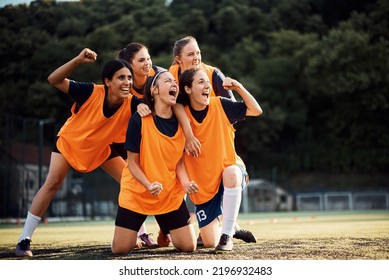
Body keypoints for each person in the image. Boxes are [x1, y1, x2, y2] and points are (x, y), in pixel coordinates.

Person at [15, 48, 154, 257]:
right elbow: (53, 79)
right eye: (121, 78)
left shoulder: (133, 103)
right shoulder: (90, 91)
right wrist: (78, 60)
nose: (127, 82)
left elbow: (156, 111)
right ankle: (23, 240)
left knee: (132, 182)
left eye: (129, 78)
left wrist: (145, 108)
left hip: (100, 149)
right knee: (52, 183)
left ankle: (139, 234)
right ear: (107, 81)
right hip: (70, 143)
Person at [169, 35, 257, 245]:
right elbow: (172, 104)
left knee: (229, 173)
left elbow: (235, 108)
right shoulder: (171, 76)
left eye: (198, 52)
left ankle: (229, 228)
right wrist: (189, 133)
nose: (196, 57)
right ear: (178, 60)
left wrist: (216, 132)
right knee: (175, 175)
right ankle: (174, 227)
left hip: (216, 143)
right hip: (192, 150)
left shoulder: (213, 75)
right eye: (191, 54)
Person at [111, 71, 198, 254]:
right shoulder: (139, 120)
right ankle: (159, 225)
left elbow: (179, 162)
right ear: (154, 90)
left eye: (175, 82)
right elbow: (132, 163)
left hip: (168, 195)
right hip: (138, 192)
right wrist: (148, 185)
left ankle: (164, 227)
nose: (174, 84)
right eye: (168, 81)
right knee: (120, 249)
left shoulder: (182, 123)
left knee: (189, 246)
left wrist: (186, 183)